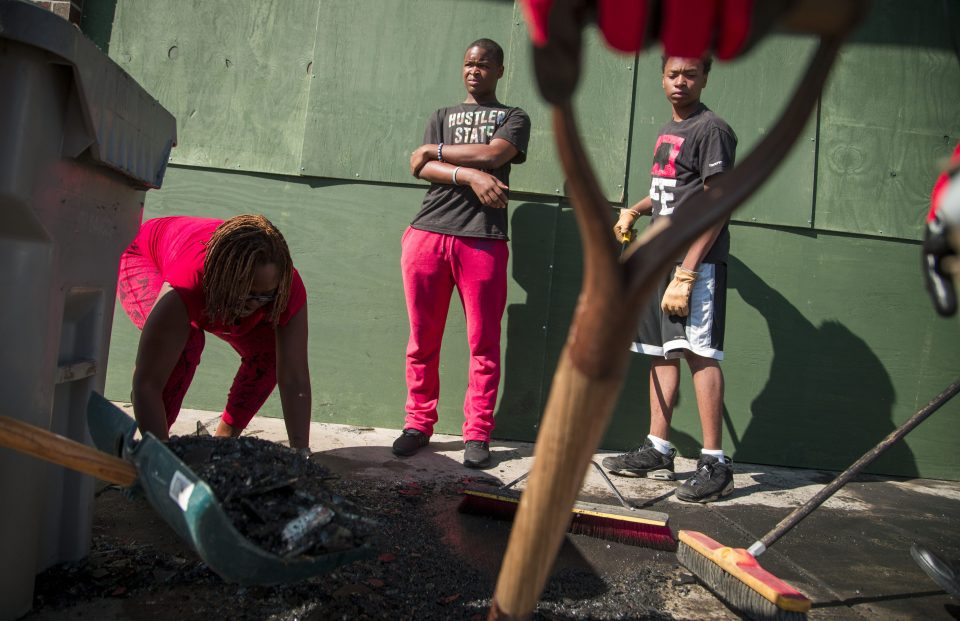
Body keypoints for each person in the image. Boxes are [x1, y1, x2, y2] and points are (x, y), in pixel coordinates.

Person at [603, 55, 738, 503]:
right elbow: (673, 191)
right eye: (673, 74)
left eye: (690, 75)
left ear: (705, 79)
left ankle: (716, 463)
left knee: (700, 354)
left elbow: (715, 204)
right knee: (660, 352)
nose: (681, 82)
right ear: (662, 78)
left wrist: (688, 271)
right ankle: (658, 449)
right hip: (660, 258)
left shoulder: (711, 129)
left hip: (692, 264)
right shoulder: (671, 129)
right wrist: (637, 209)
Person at [393, 38, 531, 469]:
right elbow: (422, 168)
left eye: (484, 64)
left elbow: (494, 153)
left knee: (483, 343)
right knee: (422, 339)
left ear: (500, 70)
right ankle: (418, 424)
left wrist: (433, 153)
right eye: (469, 63)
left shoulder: (513, 117)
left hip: (483, 240)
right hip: (426, 235)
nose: (474, 70)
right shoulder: (442, 115)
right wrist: (469, 174)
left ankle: (477, 435)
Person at [116, 214, 312, 449]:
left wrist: (302, 454)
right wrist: (159, 460)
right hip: (145, 257)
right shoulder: (188, 282)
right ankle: (160, 446)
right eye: (244, 293)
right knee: (187, 343)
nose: (252, 305)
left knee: (270, 354)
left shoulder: (286, 288)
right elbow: (146, 383)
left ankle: (222, 447)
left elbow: (294, 378)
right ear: (222, 280)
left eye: (263, 296)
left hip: (213, 286)